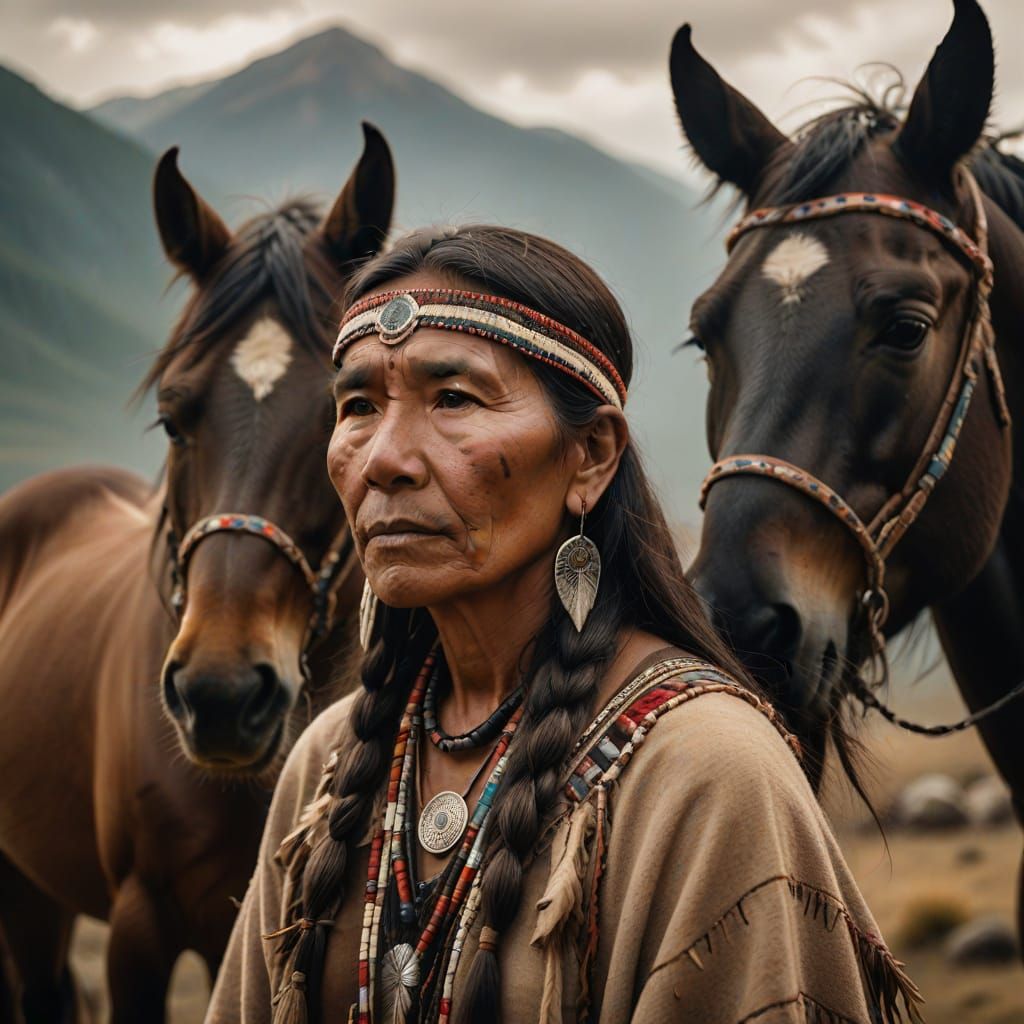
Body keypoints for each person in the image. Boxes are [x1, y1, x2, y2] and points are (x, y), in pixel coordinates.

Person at [206, 225, 920, 1024]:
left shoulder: (708, 775)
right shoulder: (334, 760)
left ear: (590, 455)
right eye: (359, 405)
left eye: (453, 399)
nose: (383, 458)